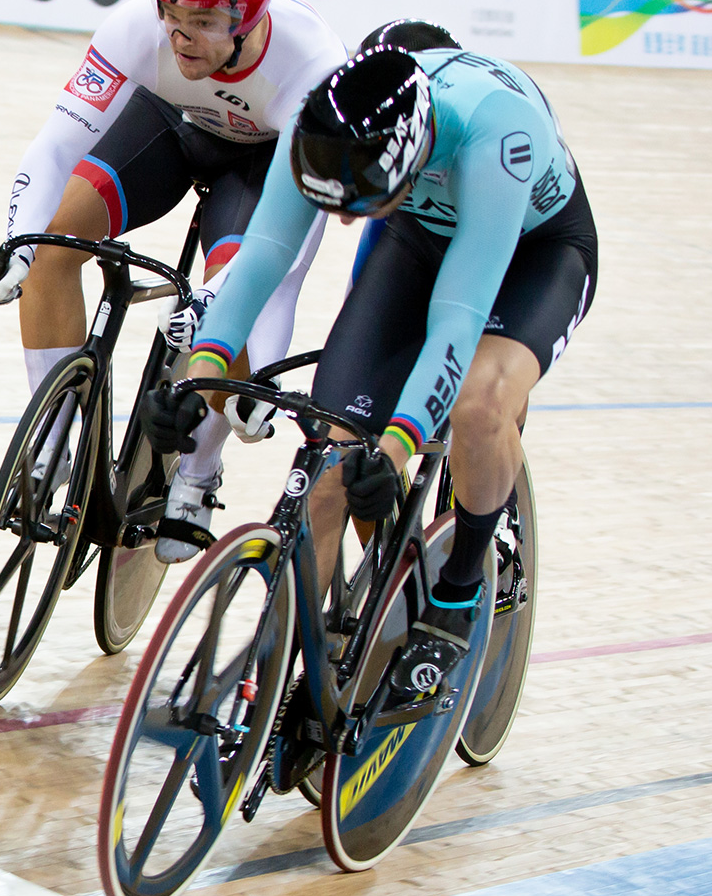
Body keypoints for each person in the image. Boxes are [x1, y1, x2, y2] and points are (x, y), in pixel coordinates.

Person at [150, 45, 595, 705]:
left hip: (536, 253)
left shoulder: (497, 134)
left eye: (360, 204)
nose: (345, 221)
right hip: (416, 232)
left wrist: (396, 446)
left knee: (479, 404)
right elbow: (261, 261)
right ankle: (271, 685)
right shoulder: (321, 125)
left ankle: (457, 593)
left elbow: (456, 322)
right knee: (331, 452)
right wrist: (201, 376)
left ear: (411, 162)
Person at [0, 0, 346, 563]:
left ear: (250, 17)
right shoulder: (133, 31)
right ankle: (53, 436)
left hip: (260, 169)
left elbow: (277, 260)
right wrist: (18, 243)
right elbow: (58, 145)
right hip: (171, 130)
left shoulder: (313, 67)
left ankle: (198, 472)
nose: (180, 35)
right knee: (56, 242)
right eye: (170, 12)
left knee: (229, 317)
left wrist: (218, 307)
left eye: (201, 21)